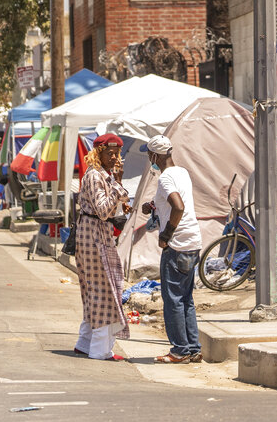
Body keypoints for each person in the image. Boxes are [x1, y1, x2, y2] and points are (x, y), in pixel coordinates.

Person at [141, 135, 203, 363]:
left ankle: (179, 350)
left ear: (155, 155)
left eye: (149, 155)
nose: (149, 159)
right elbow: (174, 202)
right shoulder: (182, 172)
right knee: (186, 298)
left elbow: (178, 206)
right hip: (193, 241)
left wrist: (166, 234)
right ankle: (193, 348)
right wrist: (153, 205)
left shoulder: (165, 178)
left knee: (173, 299)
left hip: (176, 245)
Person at [74, 133, 131, 361]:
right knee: (103, 291)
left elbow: (121, 199)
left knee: (94, 289)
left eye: (117, 153)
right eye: (110, 153)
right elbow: (104, 210)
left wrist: (118, 183)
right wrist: (116, 184)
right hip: (94, 234)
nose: (115, 158)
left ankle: (85, 342)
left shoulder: (104, 175)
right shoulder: (95, 176)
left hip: (96, 233)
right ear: (98, 153)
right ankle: (100, 349)